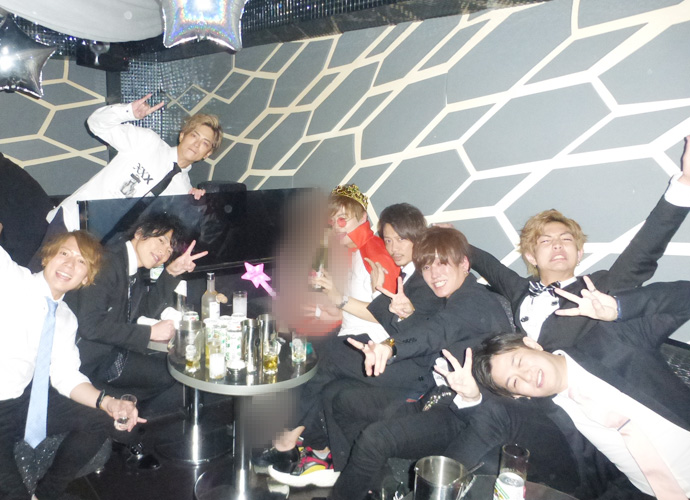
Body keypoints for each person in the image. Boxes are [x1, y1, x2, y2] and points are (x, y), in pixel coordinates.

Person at [307, 226, 512, 499]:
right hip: (434, 395)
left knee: (375, 438)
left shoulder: (474, 301)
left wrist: (390, 347)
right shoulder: (457, 297)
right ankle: (379, 487)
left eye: (442, 263)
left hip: (462, 414)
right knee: (342, 400)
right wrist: (404, 315)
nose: (434, 274)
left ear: (464, 264)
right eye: (427, 266)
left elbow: (437, 331)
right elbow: (434, 337)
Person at [471, 279, 690, 500]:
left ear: (531, 344)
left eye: (519, 361)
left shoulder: (614, 341)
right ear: (519, 395)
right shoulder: (547, 417)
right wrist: (469, 398)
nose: (526, 375)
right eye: (514, 382)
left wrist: (619, 307)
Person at [467, 135, 690, 351]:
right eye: (546, 240)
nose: (558, 245)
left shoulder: (598, 288)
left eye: (566, 239)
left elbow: (643, 253)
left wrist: (686, 186)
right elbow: (487, 264)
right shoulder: (521, 289)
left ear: (579, 254)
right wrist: (452, 238)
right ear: (531, 256)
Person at [255, 185, 402, 484]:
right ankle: (319, 452)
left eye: (343, 219)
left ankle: (287, 441)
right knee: (315, 369)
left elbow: (387, 314)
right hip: (351, 334)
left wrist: (338, 305)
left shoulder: (375, 251)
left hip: (375, 343)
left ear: (363, 217)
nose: (336, 227)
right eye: (332, 221)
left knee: (317, 365)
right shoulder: (355, 250)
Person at [0, 230, 143, 500]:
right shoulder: (10, 279)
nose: (69, 264)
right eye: (64, 253)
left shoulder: (65, 318)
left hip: (20, 403)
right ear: (47, 257)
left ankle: (47, 493)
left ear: (86, 278)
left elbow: (66, 376)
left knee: (101, 418)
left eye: (81, 261)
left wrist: (108, 402)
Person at [64, 213, 206, 468]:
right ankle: (117, 424)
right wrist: (150, 334)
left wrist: (170, 273)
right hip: (85, 362)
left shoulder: (130, 268)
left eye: (169, 249)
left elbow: (141, 313)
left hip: (107, 353)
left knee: (168, 371)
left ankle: (121, 420)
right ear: (140, 233)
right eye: (161, 240)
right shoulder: (108, 262)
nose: (164, 252)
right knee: (167, 372)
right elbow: (90, 326)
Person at [42, 94, 223, 237]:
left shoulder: (183, 191)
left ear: (207, 154)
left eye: (205, 143)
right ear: (183, 135)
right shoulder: (147, 143)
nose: (196, 144)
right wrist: (128, 112)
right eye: (194, 135)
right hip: (70, 223)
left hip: (101, 247)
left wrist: (195, 206)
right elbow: (95, 124)